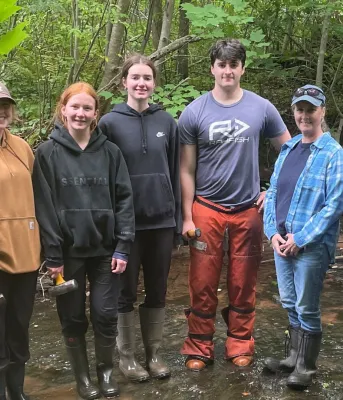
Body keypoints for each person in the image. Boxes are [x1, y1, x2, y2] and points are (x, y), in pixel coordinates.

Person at [178, 39, 291, 371]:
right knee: (202, 280)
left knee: (243, 280)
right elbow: (185, 169)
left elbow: (289, 151)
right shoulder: (194, 111)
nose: (227, 71)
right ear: (212, 68)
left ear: (242, 68)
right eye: (221, 64)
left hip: (248, 209)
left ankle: (240, 342)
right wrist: (186, 216)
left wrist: (271, 190)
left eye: (234, 64)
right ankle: (199, 346)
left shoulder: (262, 108)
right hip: (206, 207)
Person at [32, 82, 135, 399]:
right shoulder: (47, 153)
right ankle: (83, 380)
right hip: (66, 255)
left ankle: (105, 375)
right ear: (63, 109)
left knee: (105, 314)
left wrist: (123, 245)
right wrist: (53, 254)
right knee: (73, 317)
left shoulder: (110, 152)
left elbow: (124, 200)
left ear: (95, 114)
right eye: (74, 107)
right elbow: (44, 208)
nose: (80, 113)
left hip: (106, 251)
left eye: (86, 108)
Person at [99, 54, 181, 382]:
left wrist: (177, 219)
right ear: (124, 82)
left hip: (162, 221)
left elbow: (176, 171)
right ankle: (128, 357)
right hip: (126, 226)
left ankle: (155, 354)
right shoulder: (109, 123)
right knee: (124, 293)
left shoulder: (167, 122)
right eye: (135, 77)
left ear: (154, 83)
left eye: (147, 77)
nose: (141, 83)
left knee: (158, 290)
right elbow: (102, 174)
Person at [263, 85, 343, 389]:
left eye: (311, 109)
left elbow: (334, 205)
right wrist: (272, 233)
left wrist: (301, 237)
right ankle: (292, 358)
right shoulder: (289, 148)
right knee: (289, 301)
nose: (304, 115)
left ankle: (306, 368)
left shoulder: (334, 154)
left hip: (310, 247)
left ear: (322, 111)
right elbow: (272, 193)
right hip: (280, 243)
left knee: (307, 306)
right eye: (300, 109)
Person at [0, 82, 41, 400]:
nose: (1, 111)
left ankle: (16, 390)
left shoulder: (23, 147)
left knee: (19, 325)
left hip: (26, 253)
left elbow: (40, 199)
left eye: (5, 105)